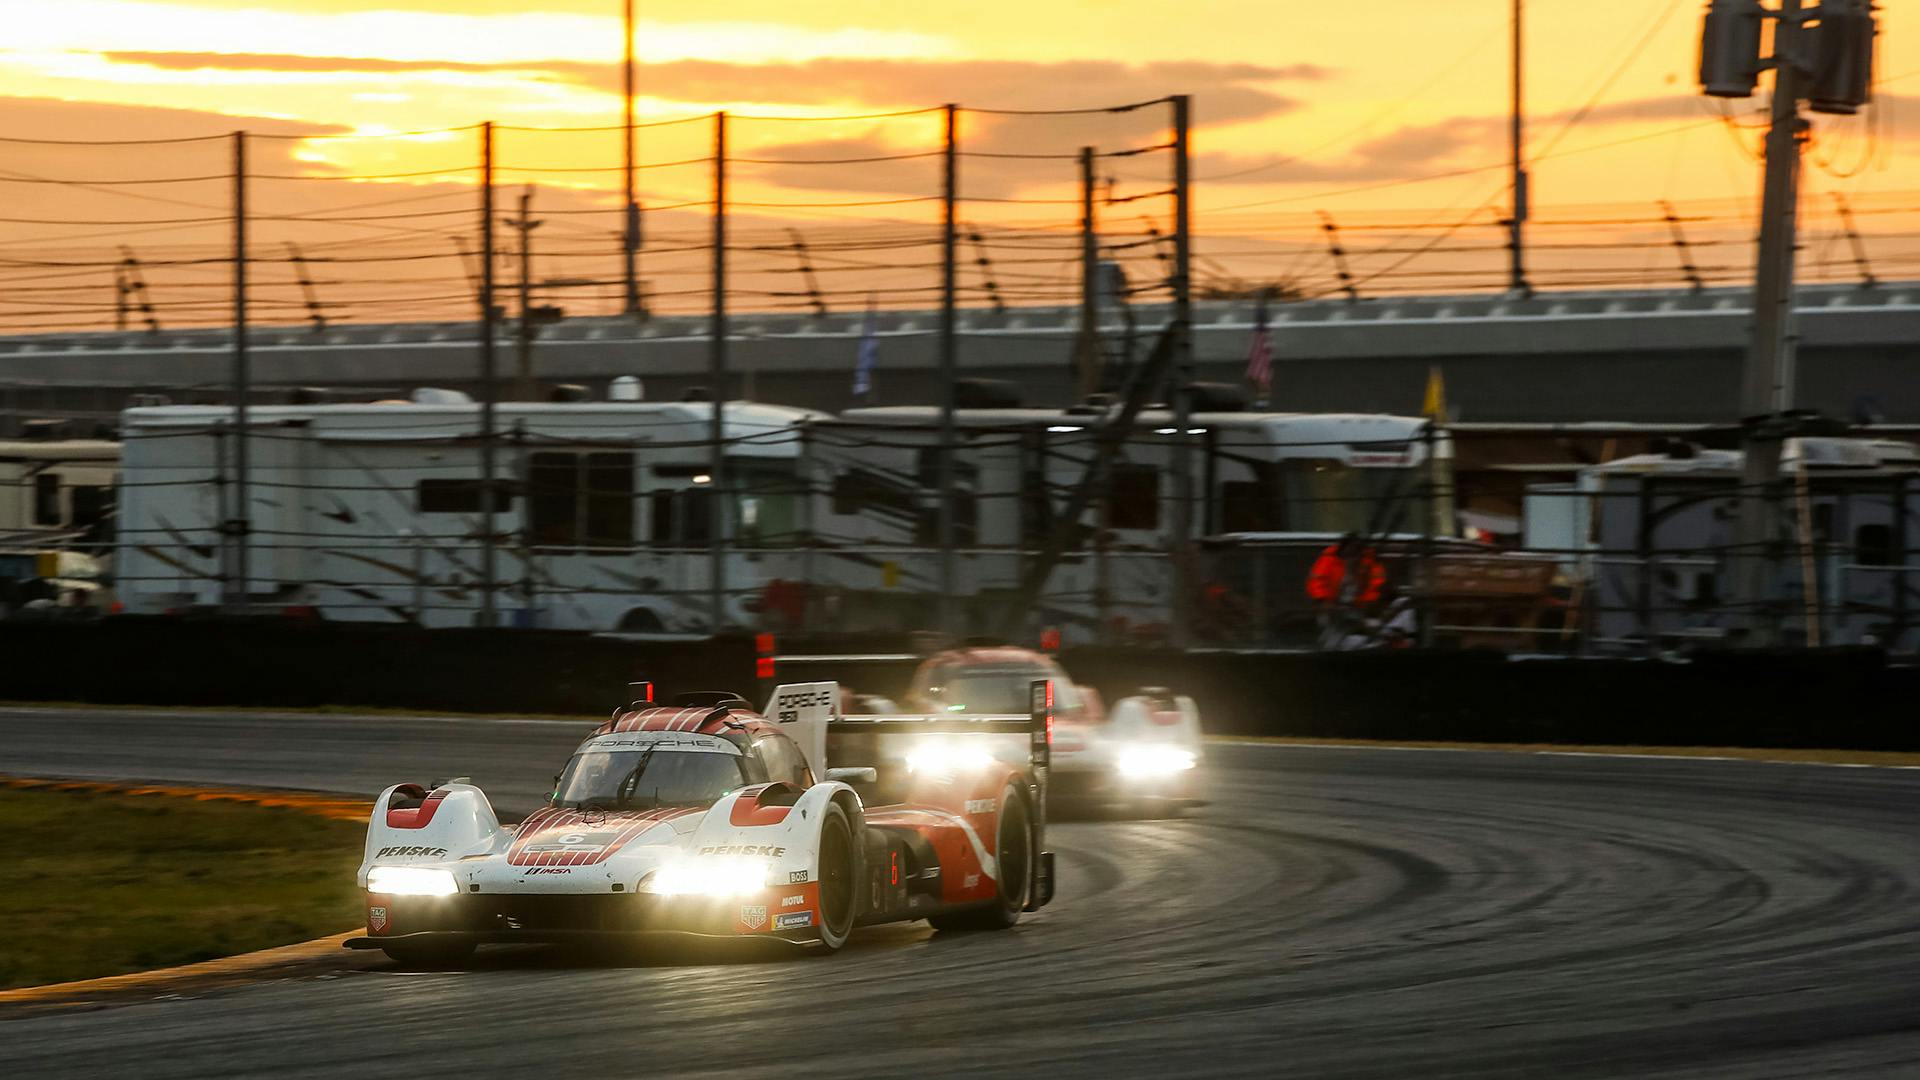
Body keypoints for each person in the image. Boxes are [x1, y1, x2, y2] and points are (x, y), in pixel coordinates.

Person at [1307, 533, 1386, 647]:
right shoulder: (1328, 561)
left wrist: (1368, 606)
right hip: (1333, 614)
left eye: (1356, 554)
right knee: (1332, 638)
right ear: (1342, 553)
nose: (1353, 558)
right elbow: (1316, 582)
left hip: (1360, 614)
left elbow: (1377, 587)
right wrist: (1323, 601)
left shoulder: (1371, 565)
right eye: (1349, 554)